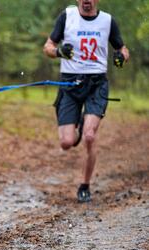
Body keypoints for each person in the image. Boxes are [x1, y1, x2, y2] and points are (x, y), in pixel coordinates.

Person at [43, 0, 129, 203]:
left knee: (90, 136)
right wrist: (58, 52)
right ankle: (80, 125)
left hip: (96, 85)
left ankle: (84, 185)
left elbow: (123, 49)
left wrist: (121, 57)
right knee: (66, 142)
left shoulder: (108, 21)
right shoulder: (67, 17)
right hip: (69, 85)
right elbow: (47, 46)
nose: (87, 0)